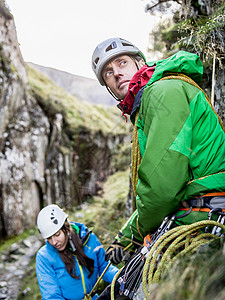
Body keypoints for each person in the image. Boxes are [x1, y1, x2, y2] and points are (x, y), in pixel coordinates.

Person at [91, 37, 225, 265]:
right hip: (198, 209)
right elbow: (160, 185)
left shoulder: (162, 92)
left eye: (122, 63)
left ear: (139, 63)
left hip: (204, 214)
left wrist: (137, 233)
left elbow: (162, 188)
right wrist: (124, 238)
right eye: (108, 73)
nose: (116, 73)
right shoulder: (152, 98)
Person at [36, 204, 118, 300]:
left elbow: (104, 268)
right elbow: (51, 296)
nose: (54, 242)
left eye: (57, 235)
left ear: (66, 227)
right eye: (49, 238)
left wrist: (123, 277)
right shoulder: (44, 257)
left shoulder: (89, 239)